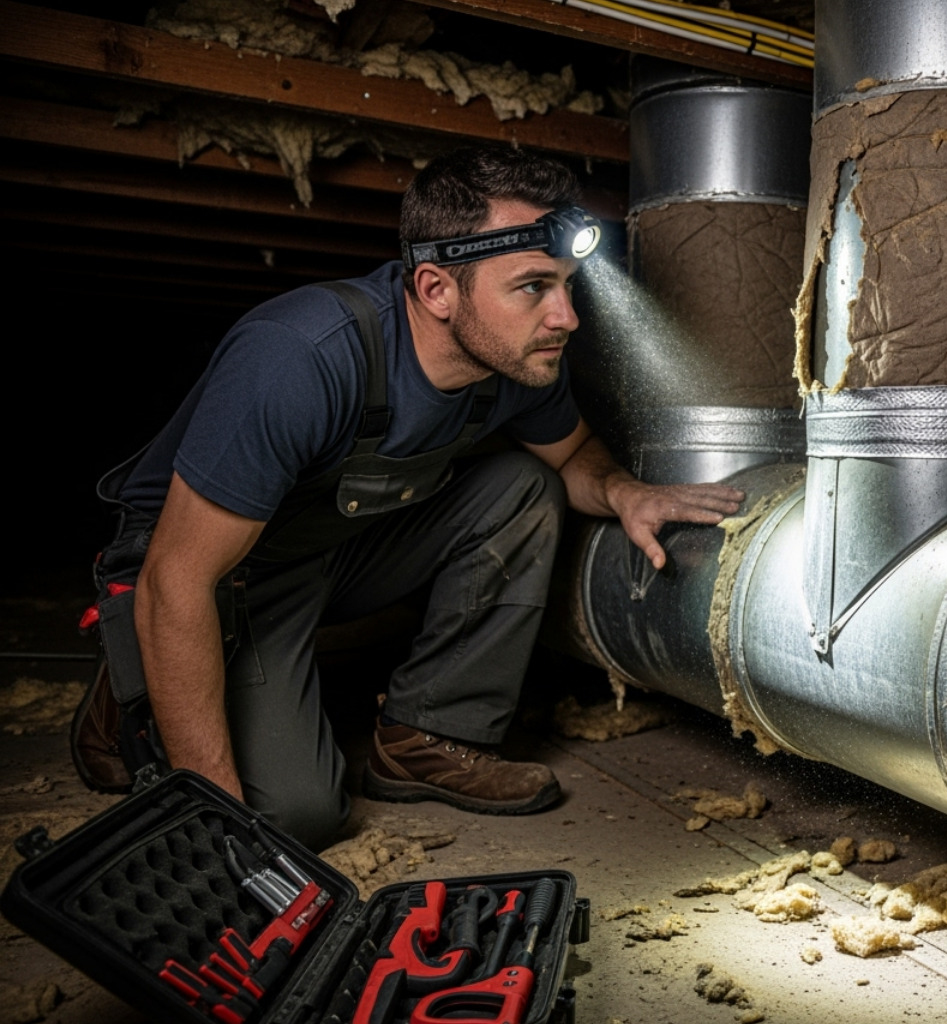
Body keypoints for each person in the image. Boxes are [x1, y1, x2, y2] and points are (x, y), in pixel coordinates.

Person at [69, 144, 743, 849]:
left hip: (332, 550)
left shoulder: (513, 360)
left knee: (521, 488)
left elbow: (571, 455)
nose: (566, 317)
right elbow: (177, 581)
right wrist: (211, 809)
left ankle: (428, 738)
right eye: (533, 286)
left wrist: (626, 493)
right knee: (289, 819)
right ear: (436, 289)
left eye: (568, 285)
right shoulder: (301, 357)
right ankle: (124, 696)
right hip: (214, 576)